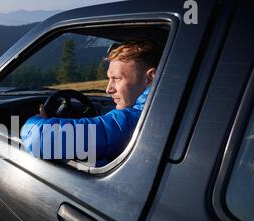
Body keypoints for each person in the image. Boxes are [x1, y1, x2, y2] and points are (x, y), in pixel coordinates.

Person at [20, 39, 162, 166]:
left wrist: (39, 120)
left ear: (149, 79)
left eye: (117, 78)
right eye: (109, 79)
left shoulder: (136, 121)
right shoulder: (159, 112)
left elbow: (38, 138)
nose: (108, 89)